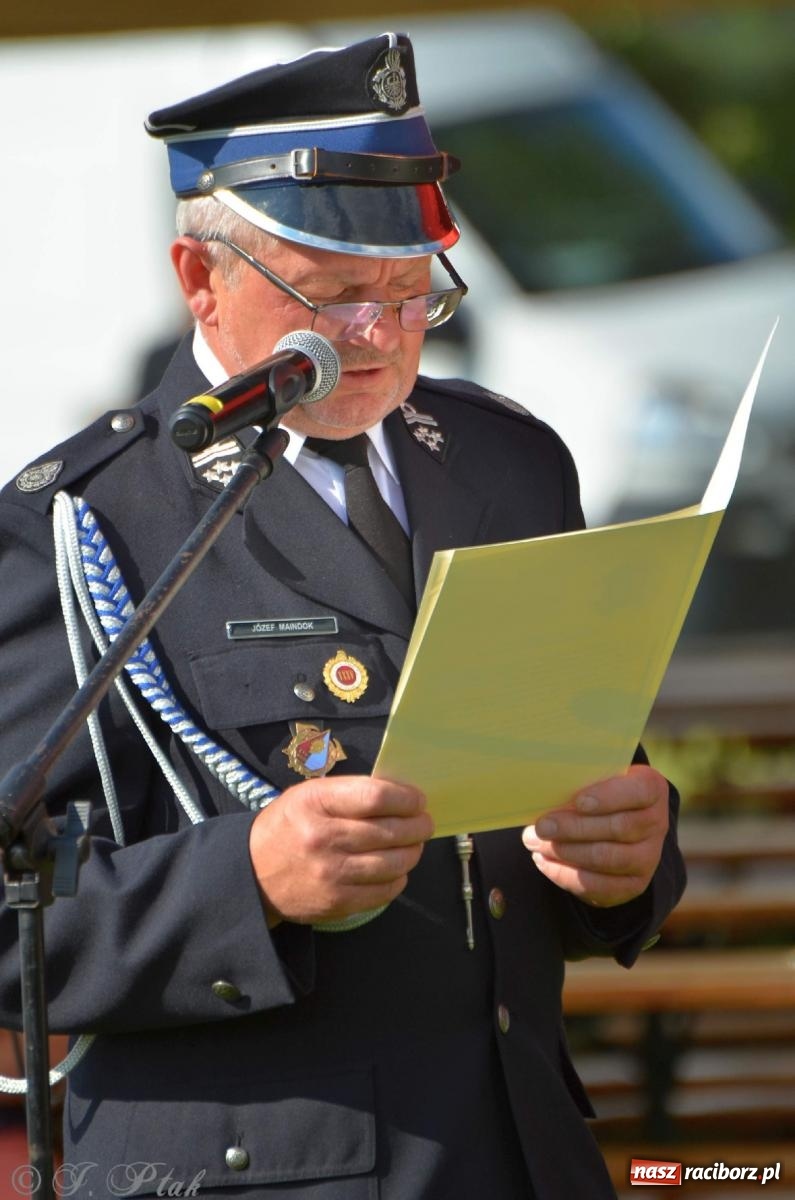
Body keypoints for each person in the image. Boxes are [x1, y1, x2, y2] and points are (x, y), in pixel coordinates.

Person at [0, 33, 684, 1200]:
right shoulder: (82, 519)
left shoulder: (509, 462)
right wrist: (246, 883)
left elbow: (570, 771)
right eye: (330, 297)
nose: (377, 336)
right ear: (199, 277)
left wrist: (629, 860)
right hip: (261, 1173)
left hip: (521, 1156)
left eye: (413, 293)